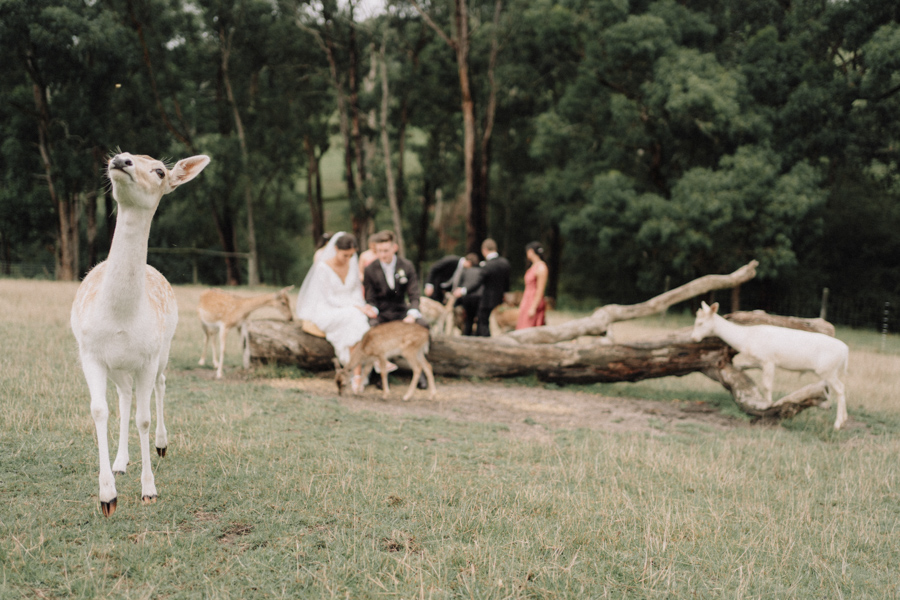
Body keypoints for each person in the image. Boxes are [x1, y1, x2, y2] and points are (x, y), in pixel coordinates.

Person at [296, 232, 376, 390]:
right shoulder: (322, 267)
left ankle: (356, 375)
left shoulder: (352, 262)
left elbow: (355, 291)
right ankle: (366, 368)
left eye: (351, 255)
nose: (348, 259)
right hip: (326, 309)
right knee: (355, 316)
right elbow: (328, 298)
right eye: (345, 255)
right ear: (335, 249)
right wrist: (356, 307)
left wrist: (361, 305)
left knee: (356, 319)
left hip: (350, 307)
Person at [362, 230, 428, 388]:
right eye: (378, 251)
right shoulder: (370, 269)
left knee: (423, 325)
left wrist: (412, 314)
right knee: (372, 328)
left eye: (386, 250)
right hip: (382, 313)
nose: (382, 255)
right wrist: (372, 310)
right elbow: (370, 298)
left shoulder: (406, 266)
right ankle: (380, 374)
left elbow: (414, 294)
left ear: (394, 248)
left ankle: (420, 371)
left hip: (401, 311)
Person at [454, 238, 510, 337]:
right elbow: (507, 283)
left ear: (484, 250)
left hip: (487, 300)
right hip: (500, 300)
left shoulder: (486, 265)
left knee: (483, 323)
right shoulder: (505, 263)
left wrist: (463, 290)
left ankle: (486, 344)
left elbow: (477, 282)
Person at [516, 241, 549, 330]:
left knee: (530, 326)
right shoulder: (533, 266)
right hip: (527, 299)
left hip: (534, 300)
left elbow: (540, 289)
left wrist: (533, 307)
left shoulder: (541, 267)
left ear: (530, 251)